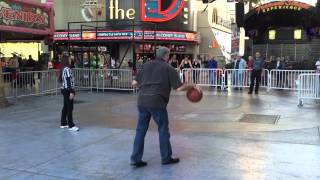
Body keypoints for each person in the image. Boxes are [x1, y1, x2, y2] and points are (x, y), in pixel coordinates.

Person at [130, 47, 197, 168]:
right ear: (166, 56)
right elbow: (179, 88)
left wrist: (146, 86)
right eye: (169, 55)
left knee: (140, 131)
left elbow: (134, 83)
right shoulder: (168, 68)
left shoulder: (146, 65)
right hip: (157, 102)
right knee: (163, 129)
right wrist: (193, 85)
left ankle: (135, 159)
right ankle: (166, 158)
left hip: (142, 101)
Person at [60, 55, 79, 132]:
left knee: (65, 107)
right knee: (70, 107)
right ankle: (71, 125)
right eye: (70, 59)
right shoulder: (67, 69)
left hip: (65, 89)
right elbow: (68, 81)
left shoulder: (64, 69)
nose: (71, 60)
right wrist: (71, 91)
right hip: (68, 90)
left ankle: (63, 123)